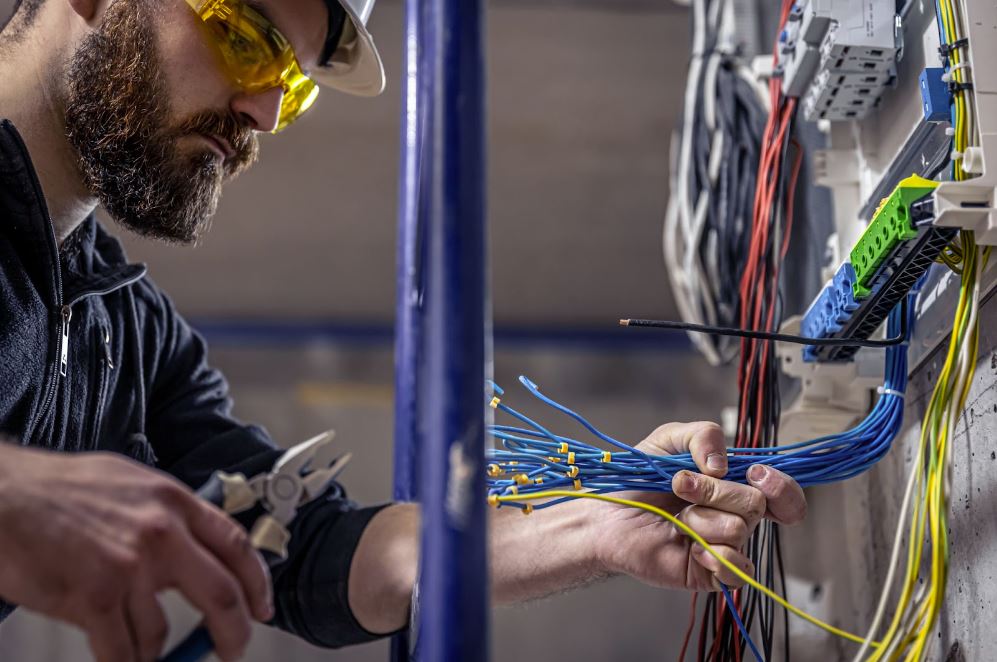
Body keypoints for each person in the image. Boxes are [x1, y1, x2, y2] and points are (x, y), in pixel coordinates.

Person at [0, 0, 808, 659]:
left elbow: (309, 554)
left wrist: (593, 521)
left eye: (293, 82)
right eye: (244, 39)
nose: (265, 113)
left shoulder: (123, 332)